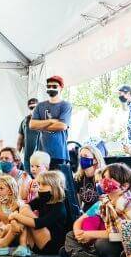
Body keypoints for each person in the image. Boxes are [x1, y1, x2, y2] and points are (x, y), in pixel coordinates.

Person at [61, 163, 131, 257]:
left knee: (102, 245)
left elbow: (122, 234)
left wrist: (90, 235)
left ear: (125, 186)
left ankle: (83, 255)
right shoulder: (105, 201)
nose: (104, 181)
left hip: (123, 243)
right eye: (104, 177)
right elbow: (81, 219)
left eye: (111, 178)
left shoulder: (129, 203)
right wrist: (78, 232)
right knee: (70, 235)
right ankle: (85, 256)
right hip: (105, 237)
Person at [0, 170, 69, 257]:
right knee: (24, 208)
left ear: (54, 188)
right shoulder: (41, 200)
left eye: (43, 185)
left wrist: (15, 216)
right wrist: (14, 221)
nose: (39, 187)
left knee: (24, 212)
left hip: (50, 246)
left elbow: (38, 223)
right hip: (35, 246)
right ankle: (21, 246)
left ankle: (4, 245)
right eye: (39, 184)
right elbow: (23, 207)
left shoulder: (59, 207)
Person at [29, 75, 79, 220]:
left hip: (59, 155)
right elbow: (32, 125)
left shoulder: (65, 106)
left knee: (60, 191)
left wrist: (42, 123)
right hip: (42, 156)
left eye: (54, 86)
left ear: (61, 87)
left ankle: (63, 222)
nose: (51, 89)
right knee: (43, 189)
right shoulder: (40, 106)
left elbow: (62, 125)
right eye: (49, 86)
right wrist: (51, 121)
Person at [74, 145, 106, 212]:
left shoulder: (104, 176)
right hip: (86, 214)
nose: (82, 159)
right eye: (81, 156)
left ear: (95, 160)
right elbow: (77, 204)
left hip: (101, 213)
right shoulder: (78, 178)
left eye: (85, 156)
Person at [17, 97, 39, 173]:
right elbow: (19, 140)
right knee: (28, 179)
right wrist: (16, 155)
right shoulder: (24, 121)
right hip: (28, 157)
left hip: (40, 157)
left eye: (35, 107)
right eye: (31, 107)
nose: (33, 109)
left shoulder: (43, 121)